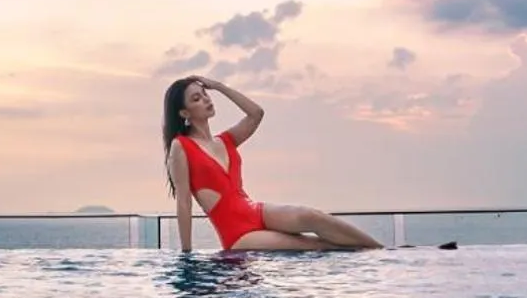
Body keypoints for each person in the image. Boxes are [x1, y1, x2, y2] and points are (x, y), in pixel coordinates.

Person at [162, 75, 390, 253]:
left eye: (204, 94)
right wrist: (186, 253)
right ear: (184, 113)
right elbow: (183, 202)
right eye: (196, 99)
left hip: (255, 210)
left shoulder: (226, 140)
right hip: (238, 234)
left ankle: (381, 251)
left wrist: (219, 86)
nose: (205, 99)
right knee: (312, 245)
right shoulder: (181, 147)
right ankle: (370, 252)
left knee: (313, 216)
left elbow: (256, 114)